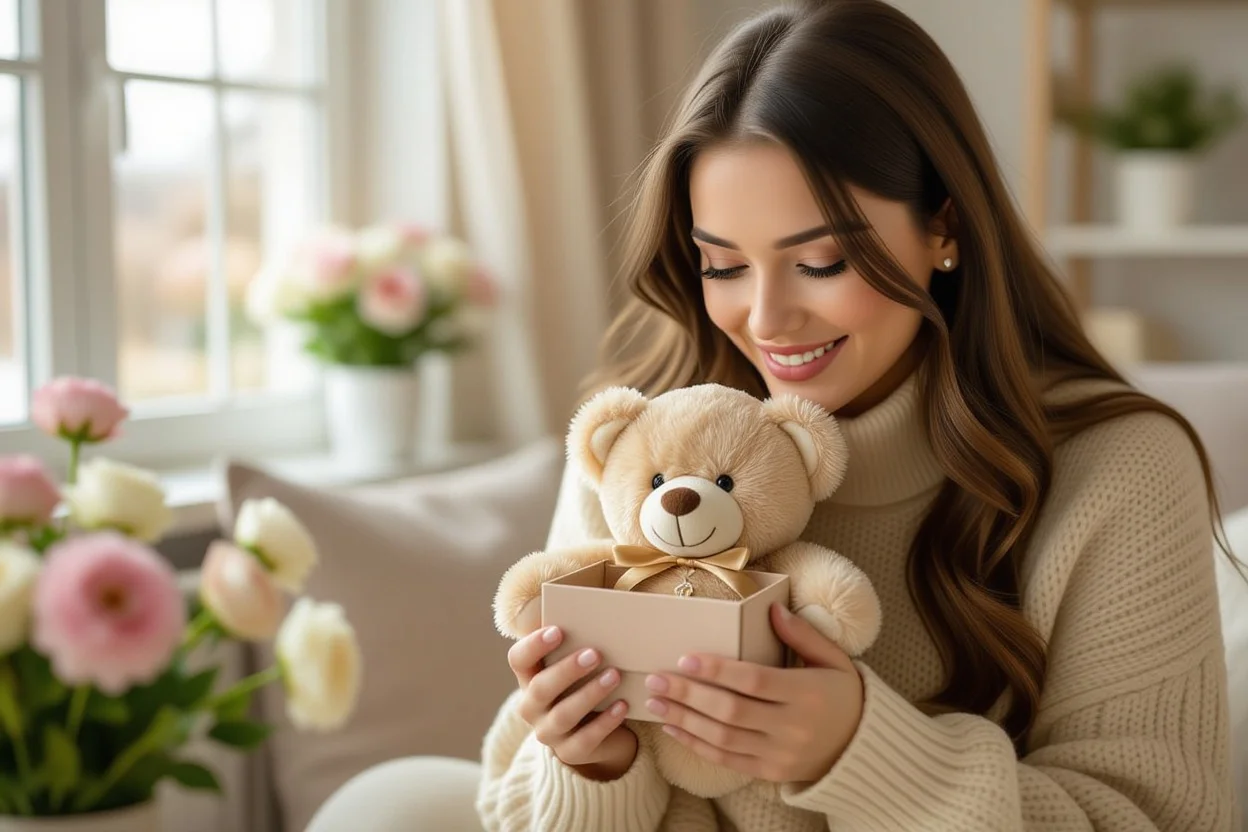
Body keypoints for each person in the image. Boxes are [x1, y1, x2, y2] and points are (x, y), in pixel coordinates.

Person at [308, 0, 1239, 829]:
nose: (766, 317)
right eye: (721, 263)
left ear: (944, 229)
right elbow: (515, 805)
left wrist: (862, 755)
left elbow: (1156, 816)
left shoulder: (1114, 467)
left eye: (822, 261)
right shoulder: (647, 446)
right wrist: (594, 763)